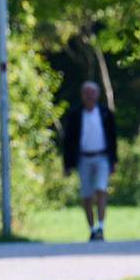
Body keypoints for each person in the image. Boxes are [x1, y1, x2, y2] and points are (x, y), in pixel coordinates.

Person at [59, 82, 119, 242]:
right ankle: (92, 229)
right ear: (82, 95)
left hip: (102, 157)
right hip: (83, 159)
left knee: (101, 190)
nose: (89, 97)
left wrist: (114, 160)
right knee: (86, 195)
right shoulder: (75, 114)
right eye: (87, 94)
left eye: (92, 94)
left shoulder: (105, 113)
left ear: (97, 95)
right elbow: (69, 141)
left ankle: (101, 226)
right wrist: (67, 164)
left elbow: (113, 139)